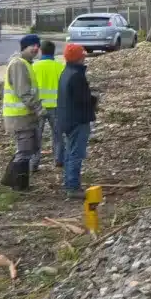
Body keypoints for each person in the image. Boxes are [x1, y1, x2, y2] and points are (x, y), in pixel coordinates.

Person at [54, 43, 98, 200]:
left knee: (69, 152)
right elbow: (83, 100)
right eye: (83, 54)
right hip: (78, 120)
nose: (85, 56)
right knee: (76, 154)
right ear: (79, 57)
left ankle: (69, 183)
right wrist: (94, 101)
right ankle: (73, 187)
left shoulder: (65, 72)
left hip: (66, 119)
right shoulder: (76, 76)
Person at [1, 34, 42, 187]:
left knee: (28, 149)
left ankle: (13, 180)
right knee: (24, 150)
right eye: (32, 45)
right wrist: (38, 108)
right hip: (19, 116)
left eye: (38, 45)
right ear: (24, 47)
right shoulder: (19, 64)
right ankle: (18, 184)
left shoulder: (26, 63)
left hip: (25, 115)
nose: (36, 48)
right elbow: (23, 92)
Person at [30, 39, 63, 172]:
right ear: (53, 52)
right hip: (56, 106)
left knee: (36, 136)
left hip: (38, 107)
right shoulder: (60, 67)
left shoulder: (34, 67)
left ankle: (33, 163)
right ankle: (59, 159)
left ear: (41, 51)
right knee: (58, 135)